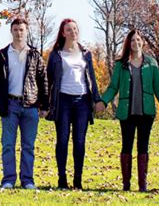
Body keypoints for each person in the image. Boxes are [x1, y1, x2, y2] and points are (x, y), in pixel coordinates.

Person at [101, 30, 159, 192]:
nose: (135, 43)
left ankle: (142, 185)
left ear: (142, 42)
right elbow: (113, 87)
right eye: (132, 40)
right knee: (126, 146)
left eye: (138, 40)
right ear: (128, 44)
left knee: (143, 146)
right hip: (126, 112)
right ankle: (126, 184)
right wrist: (103, 101)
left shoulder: (151, 63)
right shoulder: (121, 64)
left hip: (146, 112)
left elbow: (158, 88)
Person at [46, 18, 105, 189]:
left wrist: (97, 99)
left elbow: (91, 78)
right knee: (62, 140)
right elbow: (49, 79)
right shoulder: (56, 54)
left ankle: (78, 179)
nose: (73, 32)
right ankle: (62, 178)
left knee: (79, 141)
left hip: (82, 101)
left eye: (75, 29)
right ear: (63, 33)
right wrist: (46, 103)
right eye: (69, 30)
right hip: (63, 100)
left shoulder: (86, 53)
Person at [0, 18, 48, 190]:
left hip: (30, 106)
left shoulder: (34, 55)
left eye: (22, 29)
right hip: (9, 105)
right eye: (16, 29)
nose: (19, 33)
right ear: (11, 31)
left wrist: (45, 105)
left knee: (28, 146)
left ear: (26, 31)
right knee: (8, 144)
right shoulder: (2, 55)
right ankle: (8, 179)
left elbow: (43, 80)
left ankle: (28, 180)